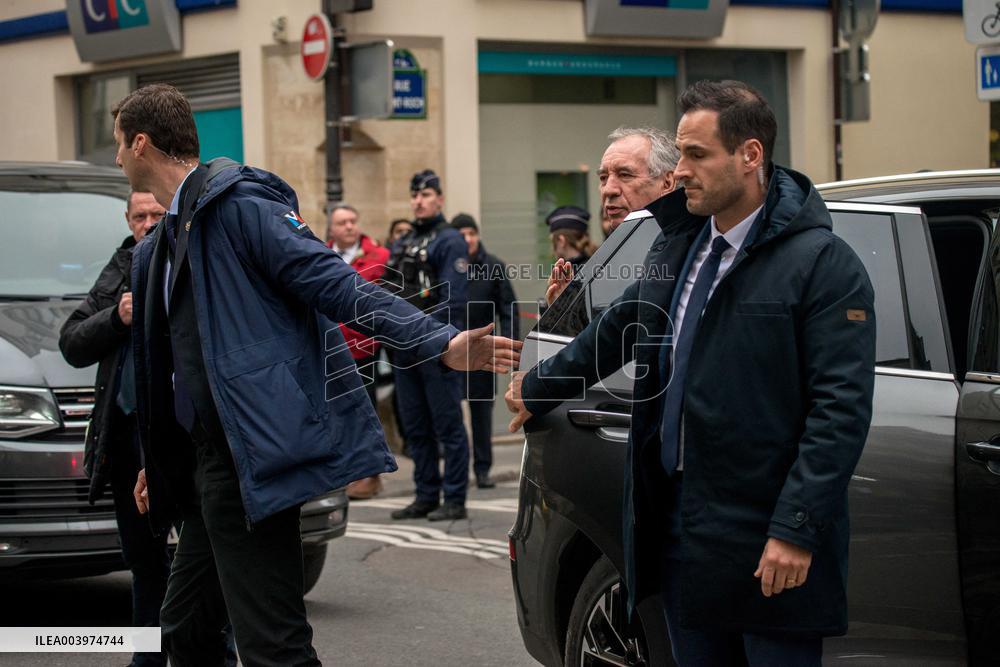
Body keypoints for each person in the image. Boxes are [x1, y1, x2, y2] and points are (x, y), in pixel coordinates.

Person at [112, 84, 520, 665]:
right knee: (185, 630)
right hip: (203, 464)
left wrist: (441, 341)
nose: (116, 157)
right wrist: (159, 458)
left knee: (273, 647)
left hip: (250, 456)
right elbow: (169, 368)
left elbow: (339, 285)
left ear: (141, 142)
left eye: (118, 144)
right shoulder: (156, 250)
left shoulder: (241, 210)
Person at [506, 80, 876, 665]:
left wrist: (796, 529)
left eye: (697, 155)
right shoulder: (680, 246)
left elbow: (840, 410)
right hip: (681, 530)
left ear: (750, 156)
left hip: (766, 540)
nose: (679, 172)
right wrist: (538, 382)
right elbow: (622, 326)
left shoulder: (822, 265)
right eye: (679, 154)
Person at [59, 190, 170, 667]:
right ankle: (145, 658)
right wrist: (117, 317)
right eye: (139, 216)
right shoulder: (123, 265)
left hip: (180, 436)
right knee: (144, 562)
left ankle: (214, 653)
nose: (148, 222)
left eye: (156, 214)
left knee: (198, 560)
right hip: (126, 439)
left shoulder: (188, 261)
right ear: (128, 220)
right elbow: (73, 341)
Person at [386, 169, 473, 522]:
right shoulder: (404, 240)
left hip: (436, 347)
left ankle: (454, 497)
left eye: (425, 195)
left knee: (447, 424)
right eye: (414, 195)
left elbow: (453, 298)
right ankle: (425, 494)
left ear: (439, 198)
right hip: (403, 347)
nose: (419, 201)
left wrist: (446, 345)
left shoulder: (449, 239)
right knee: (415, 426)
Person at [546, 127, 678, 306]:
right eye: (603, 178)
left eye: (625, 175)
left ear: (667, 182)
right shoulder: (604, 264)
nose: (608, 189)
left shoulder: (695, 251)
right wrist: (569, 311)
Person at [326, 203, 391, 500]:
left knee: (366, 410)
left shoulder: (379, 257)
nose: (350, 226)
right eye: (343, 222)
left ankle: (371, 474)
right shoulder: (321, 255)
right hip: (331, 348)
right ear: (332, 228)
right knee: (337, 412)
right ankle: (347, 472)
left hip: (363, 348)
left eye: (353, 220)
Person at [451, 213, 520, 489]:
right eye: (461, 234)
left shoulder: (493, 266)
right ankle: (454, 469)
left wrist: (510, 343)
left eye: (471, 233)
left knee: (481, 412)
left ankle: (482, 469)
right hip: (450, 350)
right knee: (451, 413)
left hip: (482, 352)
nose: (467, 239)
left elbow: (509, 308)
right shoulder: (447, 267)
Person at [546, 205, 596, 270]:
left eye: (552, 241)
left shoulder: (567, 274)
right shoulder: (596, 265)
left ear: (561, 241)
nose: (552, 249)